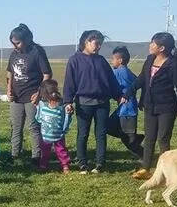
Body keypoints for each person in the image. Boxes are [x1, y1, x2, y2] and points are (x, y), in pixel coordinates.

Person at [132, 32, 177, 181]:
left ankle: (166, 171)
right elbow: (141, 79)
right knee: (150, 139)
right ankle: (145, 169)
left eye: (153, 44)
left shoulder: (172, 64)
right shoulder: (150, 59)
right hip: (150, 105)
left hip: (167, 108)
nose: (150, 46)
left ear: (162, 48)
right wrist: (128, 92)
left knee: (163, 139)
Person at [63, 30, 121, 174]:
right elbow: (69, 83)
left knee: (101, 134)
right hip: (83, 103)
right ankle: (82, 163)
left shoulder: (101, 61)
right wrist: (68, 102)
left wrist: (118, 95)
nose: (99, 46)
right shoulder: (74, 60)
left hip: (102, 103)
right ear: (86, 42)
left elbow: (111, 81)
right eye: (96, 43)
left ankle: (100, 163)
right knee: (83, 134)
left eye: (100, 43)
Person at [6, 23, 52, 164]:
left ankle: (36, 156)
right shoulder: (14, 54)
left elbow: (47, 74)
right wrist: (9, 89)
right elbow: (10, 72)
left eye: (17, 43)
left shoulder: (37, 52)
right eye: (13, 43)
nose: (15, 46)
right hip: (16, 97)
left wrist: (39, 93)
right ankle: (15, 154)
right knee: (16, 126)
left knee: (33, 126)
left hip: (32, 96)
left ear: (26, 40)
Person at [107, 45, 143, 157]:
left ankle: (145, 155)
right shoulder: (128, 72)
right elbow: (138, 81)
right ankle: (137, 138)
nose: (111, 61)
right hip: (124, 109)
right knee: (108, 126)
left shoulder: (118, 72)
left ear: (120, 60)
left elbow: (109, 85)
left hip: (127, 110)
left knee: (129, 140)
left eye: (113, 59)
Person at [36, 79, 72, 173]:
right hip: (45, 135)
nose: (54, 94)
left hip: (58, 134)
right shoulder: (42, 104)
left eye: (55, 91)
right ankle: (43, 165)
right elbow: (39, 117)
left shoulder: (61, 104)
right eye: (51, 92)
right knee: (44, 151)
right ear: (45, 92)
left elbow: (66, 118)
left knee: (61, 151)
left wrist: (68, 114)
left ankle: (65, 165)